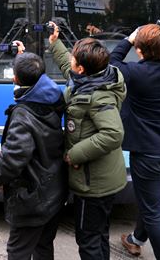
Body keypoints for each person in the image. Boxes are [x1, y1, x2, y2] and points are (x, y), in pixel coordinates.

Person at [48, 24, 127, 260]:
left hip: (94, 184)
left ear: (81, 68)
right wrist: (55, 43)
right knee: (98, 233)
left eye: (74, 59)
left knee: (88, 240)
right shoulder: (91, 78)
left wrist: (74, 154)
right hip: (100, 178)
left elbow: (113, 134)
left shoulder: (99, 95)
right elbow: (67, 68)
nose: (70, 62)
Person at [0, 52, 67, 260]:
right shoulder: (53, 97)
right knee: (44, 246)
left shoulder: (24, 114)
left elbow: (13, 158)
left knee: (18, 252)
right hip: (54, 189)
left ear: (16, 79)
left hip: (32, 196)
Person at [110, 25, 160, 259]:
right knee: (151, 202)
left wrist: (128, 39)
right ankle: (136, 239)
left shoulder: (135, 73)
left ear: (140, 49)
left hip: (148, 154)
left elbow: (111, 61)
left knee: (154, 213)